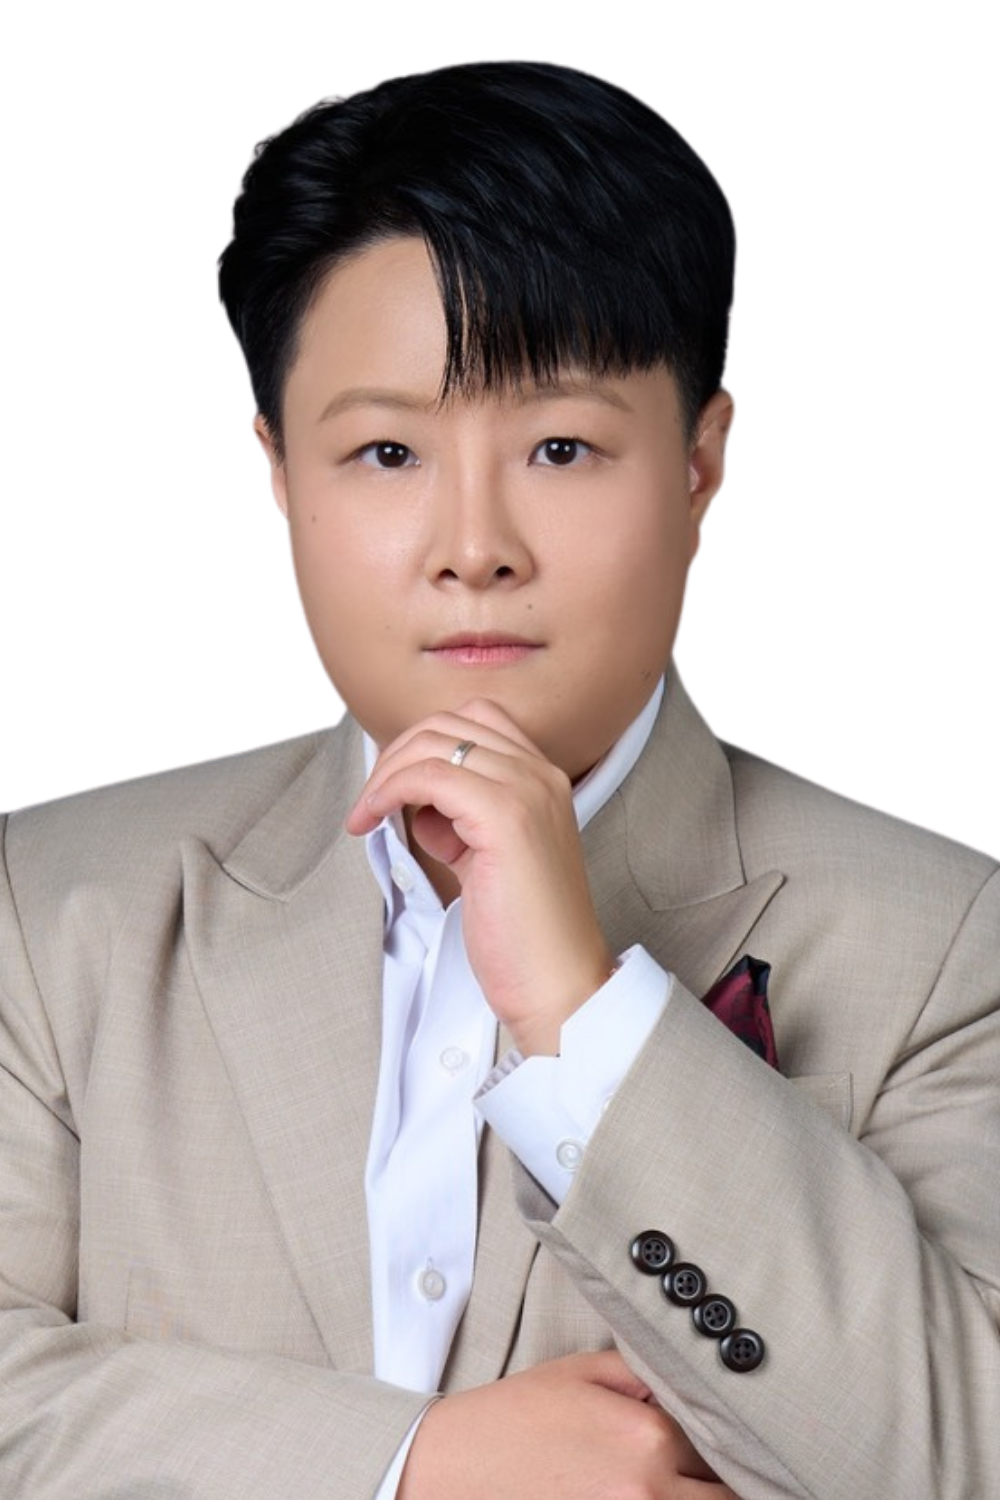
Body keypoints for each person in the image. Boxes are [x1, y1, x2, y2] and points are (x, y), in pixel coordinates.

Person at [1, 61, 997, 1500]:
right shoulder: (50, 905)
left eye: (560, 446)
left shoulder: (951, 937)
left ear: (702, 467)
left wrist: (587, 1016)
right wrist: (417, 1464)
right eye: (387, 450)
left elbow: (955, 1455)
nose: (475, 547)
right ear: (278, 473)